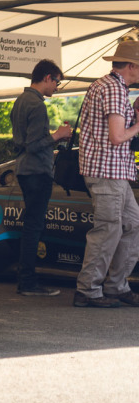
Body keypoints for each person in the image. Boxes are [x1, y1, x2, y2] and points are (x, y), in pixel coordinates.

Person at [75, 39, 139, 308]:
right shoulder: (113, 89)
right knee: (107, 231)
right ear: (132, 66)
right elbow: (117, 136)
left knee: (133, 224)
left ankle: (115, 286)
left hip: (114, 173)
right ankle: (88, 290)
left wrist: (134, 113)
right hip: (107, 172)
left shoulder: (109, 86)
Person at [9, 59, 72, 297]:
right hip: (37, 171)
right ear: (47, 78)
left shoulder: (20, 101)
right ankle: (27, 282)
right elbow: (34, 144)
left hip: (24, 170)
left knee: (31, 225)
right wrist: (58, 135)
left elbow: (23, 142)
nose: (57, 87)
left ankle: (26, 279)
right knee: (34, 227)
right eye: (57, 82)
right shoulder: (37, 105)